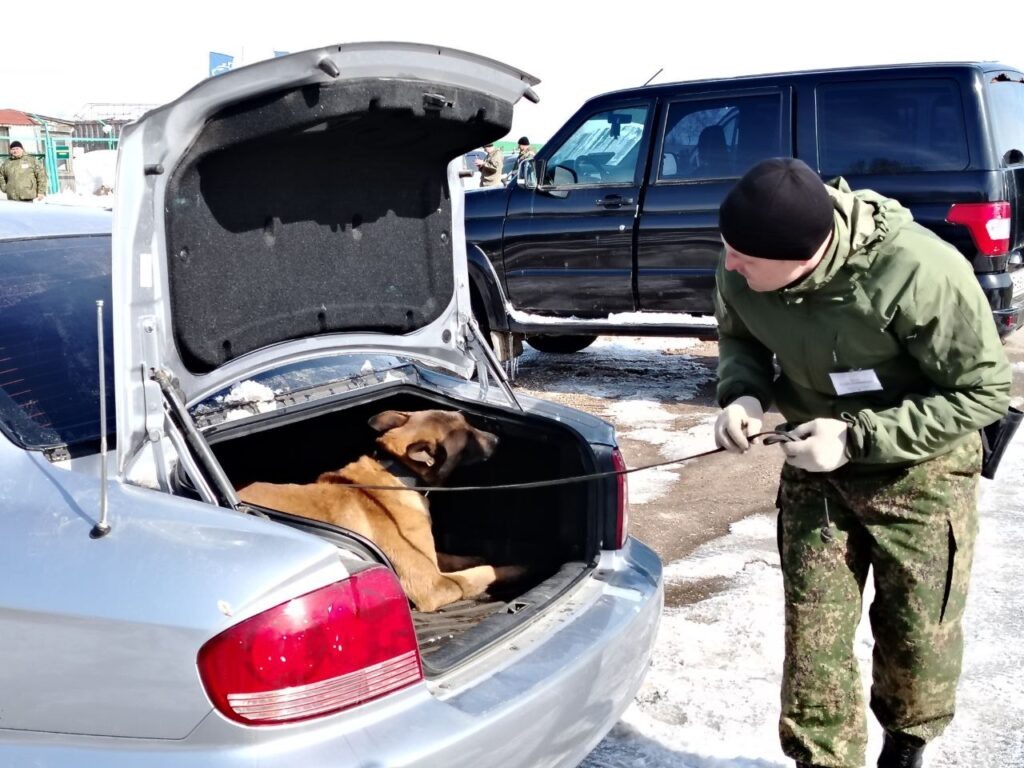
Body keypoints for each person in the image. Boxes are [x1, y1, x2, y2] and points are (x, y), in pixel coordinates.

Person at [712, 158, 1011, 768]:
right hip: (816, 470)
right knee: (814, 640)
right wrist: (742, 392)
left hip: (918, 471)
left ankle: (906, 746)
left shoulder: (922, 273)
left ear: (806, 257)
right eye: (728, 250)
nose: (731, 265)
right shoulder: (744, 259)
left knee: (917, 638)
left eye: (747, 258)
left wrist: (856, 437)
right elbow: (739, 336)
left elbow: (982, 392)